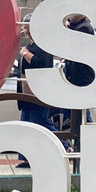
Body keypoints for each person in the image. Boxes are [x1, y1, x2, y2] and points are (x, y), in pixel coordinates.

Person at [16, 21, 56, 167]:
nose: (25, 31)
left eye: (27, 28)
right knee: (26, 124)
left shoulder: (42, 45)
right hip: (28, 92)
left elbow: (40, 63)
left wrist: (26, 54)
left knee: (41, 121)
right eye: (25, 28)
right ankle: (27, 157)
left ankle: (64, 147)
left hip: (37, 91)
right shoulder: (33, 45)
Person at [62, 12, 95, 86]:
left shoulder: (84, 27)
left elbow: (76, 47)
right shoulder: (76, 25)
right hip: (76, 70)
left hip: (82, 72)